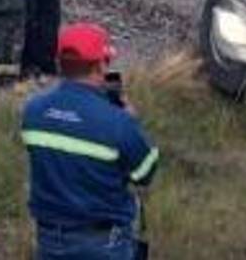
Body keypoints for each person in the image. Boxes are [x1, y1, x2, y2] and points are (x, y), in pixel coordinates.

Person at [22, 23, 160, 259]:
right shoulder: (117, 122)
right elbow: (145, 173)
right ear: (99, 66)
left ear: (61, 64)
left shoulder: (33, 111)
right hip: (103, 243)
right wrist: (131, 120)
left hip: (48, 239)